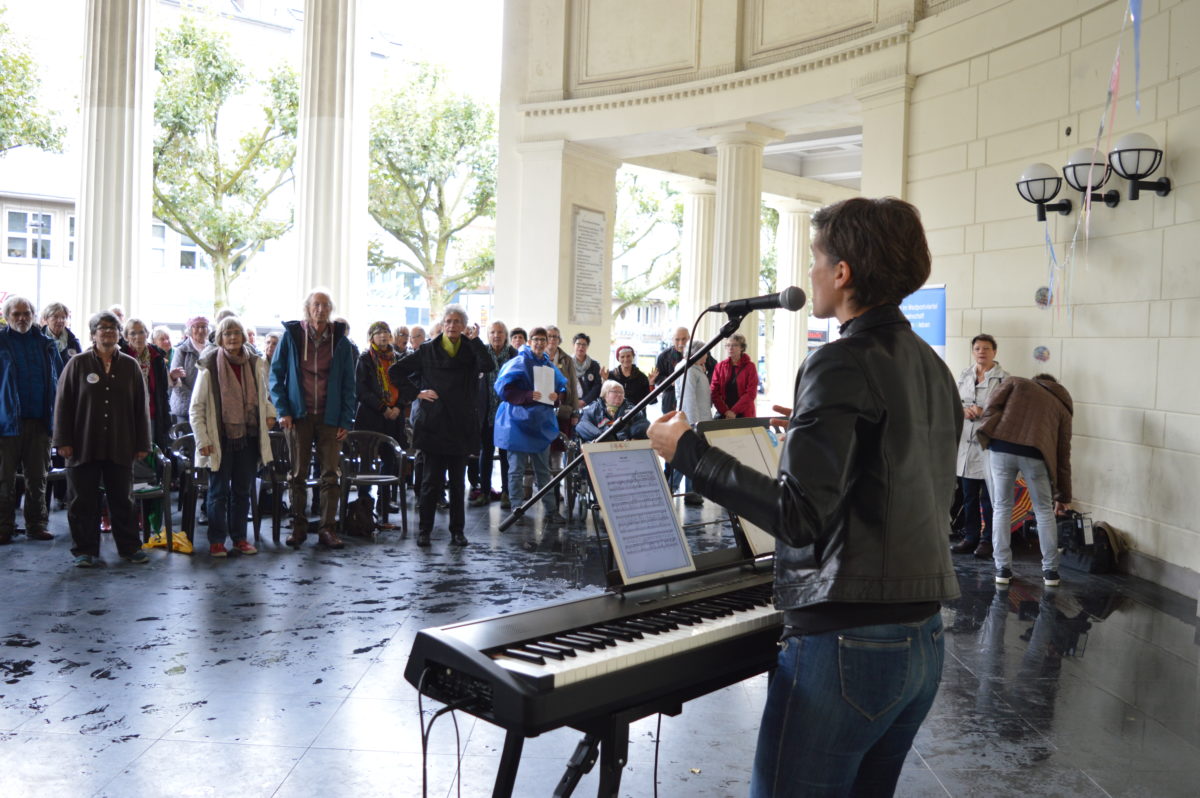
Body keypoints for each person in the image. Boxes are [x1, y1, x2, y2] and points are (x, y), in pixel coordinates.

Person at [648, 196, 960, 796]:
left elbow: (798, 516)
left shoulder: (840, 361)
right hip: (922, 638)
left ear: (842, 273)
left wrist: (689, 452)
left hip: (848, 640)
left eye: (816, 259)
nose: (809, 274)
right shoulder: (931, 365)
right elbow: (902, 472)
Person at [53, 311, 152, 567]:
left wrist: (143, 443)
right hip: (82, 444)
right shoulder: (77, 364)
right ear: (92, 333)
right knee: (81, 500)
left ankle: (130, 548)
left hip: (121, 443)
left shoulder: (130, 366)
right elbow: (62, 404)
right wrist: (62, 440)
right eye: (102, 328)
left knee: (123, 499)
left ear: (119, 334)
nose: (107, 332)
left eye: (112, 328)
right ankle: (84, 551)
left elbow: (140, 407)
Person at [391, 305, 493, 547]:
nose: (452, 325)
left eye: (457, 321)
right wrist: (417, 393)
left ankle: (457, 532)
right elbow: (396, 371)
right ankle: (424, 531)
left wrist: (477, 340)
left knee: (458, 484)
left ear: (464, 325)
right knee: (430, 482)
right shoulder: (428, 349)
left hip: (460, 424)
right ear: (443, 324)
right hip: (434, 423)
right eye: (448, 321)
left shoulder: (470, 349)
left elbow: (488, 366)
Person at [269, 289, 357, 550]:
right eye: (316, 305)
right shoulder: (292, 337)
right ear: (307, 309)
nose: (321, 309)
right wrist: (283, 410)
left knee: (331, 475)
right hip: (298, 416)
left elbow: (349, 384)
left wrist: (346, 419)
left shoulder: (340, 341)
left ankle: (327, 529)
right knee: (297, 474)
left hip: (330, 418)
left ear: (331, 310)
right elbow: (276, 376)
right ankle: (298, 526)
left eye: (325, 305)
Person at [977, 374, 1073, 587]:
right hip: (1036, 455)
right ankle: (1050, 572)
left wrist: (986, 431)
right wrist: (1063, 495)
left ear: (1036, 380)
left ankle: (1002, 568)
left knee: (1002, 508)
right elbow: (1063, 454)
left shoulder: (1017, 383)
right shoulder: (1062, 406)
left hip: (1001, 448)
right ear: (1056, 386)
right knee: (1044, 511)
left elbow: (991, 405)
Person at [190, 316, 275, 557]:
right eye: (227, 333)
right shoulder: (208, 365)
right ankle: (217, 540)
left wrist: (269, 413)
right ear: (220, 338)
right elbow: (196, 408)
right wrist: (202, 440)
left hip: (247, 436)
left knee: (242, 490)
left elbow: (264, 396)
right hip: (220, 438)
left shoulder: (254, 363)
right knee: (218, 493)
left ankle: (239, 538)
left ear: (244, 337)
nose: (233, 337)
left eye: (237, 332)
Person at [0, 296, 62, 544]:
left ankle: (36, 525)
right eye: (16, 314)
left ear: (34, 316)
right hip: (6, 424)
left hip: (39, 422)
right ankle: (3, 527)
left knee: (37, 478)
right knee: (3, 480)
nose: (22, 318)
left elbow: (60, 381)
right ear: (7, 315)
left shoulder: (47, 344)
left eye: (26, 313)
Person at [494, 327, 567, 526]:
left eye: (543, 340)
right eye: (535, 339)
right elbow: (503, 388)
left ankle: (551, 510)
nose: (539, 343)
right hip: (517, 423)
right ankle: (517, 508)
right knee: (516, 469)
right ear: (529, 341)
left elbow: (561, 388)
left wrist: (555, 397)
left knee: (543, 471)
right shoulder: (518, 362)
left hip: (540, 423)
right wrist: (526, 395)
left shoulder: (549, 365)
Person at [952, 334, 1008, 558]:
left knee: (989, 498)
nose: (981, 352)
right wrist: (962, 411)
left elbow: (1009, 413)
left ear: (994, 352)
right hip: (966, 445)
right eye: (977, 348)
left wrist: (984, 414)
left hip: (989, 445)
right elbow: (955, 402)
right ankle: (970, 537)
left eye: (986, 348)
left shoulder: (1004, 379)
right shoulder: (964, 375)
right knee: (968, 496)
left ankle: (988, 540)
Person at [354, 321, 407, 507]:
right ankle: (364, 499)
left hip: (394, 415)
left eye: (386, 332)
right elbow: (361, 390)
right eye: (378, 333)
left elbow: (405, 386)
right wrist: (383, 408)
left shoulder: (398, 358)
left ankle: (385, 500)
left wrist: (398, 407)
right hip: (371, 416)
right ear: (371, 338)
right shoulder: (365, 359)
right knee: (367, 459)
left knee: (390, 458)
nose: (383, 336)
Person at [472, 321, 517, 507]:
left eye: (500, 332)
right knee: (486, 454)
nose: (496, 336)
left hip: (508, 413)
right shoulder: (480, 352)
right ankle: (484, 492)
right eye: (492, 332)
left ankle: (507, 492)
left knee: (507, 455)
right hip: (486, 411)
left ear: (505, 335)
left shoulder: (514, 355)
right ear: (488, 335)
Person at [671, 340, 713, 506]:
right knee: (687, 457)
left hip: (697, 419)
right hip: (693, 421)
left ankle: (692, 492)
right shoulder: (689, 370)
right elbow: (688, 398)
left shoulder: (695, 369)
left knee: (693, 457)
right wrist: (695, 424)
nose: (707, 355)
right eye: (705, 352)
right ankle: (671, 488)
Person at [121, 318, 171, 453]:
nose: (138, 337)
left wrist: (165, 418)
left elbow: (162, 392)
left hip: (153, 415)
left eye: (141, 332)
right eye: (132, 333)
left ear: (147, 334)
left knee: (150, 458)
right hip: (127, 417)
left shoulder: (157, 357)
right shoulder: (120, 358)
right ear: (126, 337)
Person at [169, 316, 211, 425]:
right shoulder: (181, 350)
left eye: (204, 327)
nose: (201, 330)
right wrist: (195, 400)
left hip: (208, 406)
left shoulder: (212, 350)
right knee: (187, 440)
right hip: (185, 407)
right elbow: (176, 382)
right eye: (196, 327)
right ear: (190, 330)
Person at [576, 380, 649, 442]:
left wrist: (636, 435)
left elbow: (643, 424)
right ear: (605, 394)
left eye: (622, 393)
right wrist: (603, 437)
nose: (619, 395)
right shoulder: (593, 409)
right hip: (601, 449)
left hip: (626, 447)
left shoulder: (631, 409)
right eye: (615, 391)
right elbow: (582, 425)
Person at [711, 332, 758, 418]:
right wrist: (725, 411)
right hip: (724, 413)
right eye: (728, 345)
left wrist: (734, 411)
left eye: (734, 345)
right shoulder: (720, 366)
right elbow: (714, 391)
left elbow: (751, 393)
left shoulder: (750, 367)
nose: (730, 348)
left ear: (742, 347)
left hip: (744, 413)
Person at [650, 327, 690, 413]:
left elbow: (713, 370)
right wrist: (670, 381)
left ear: (689, 338)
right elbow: (657, 379)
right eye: (677, 340)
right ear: (672, 340)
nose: (681, 343)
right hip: (670, 398)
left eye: (684, 339)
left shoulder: (698, 351)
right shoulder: (663, 356)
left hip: (692, 396)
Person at [571, 332, 602, 407]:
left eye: (584, 345)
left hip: (589, 403)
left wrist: (584, 401)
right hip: (569, 402)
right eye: (578, 344)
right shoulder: (567, 363)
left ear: (587, 346)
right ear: (573, 345)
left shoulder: (594, 365)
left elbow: (597, 386)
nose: (581, 347)